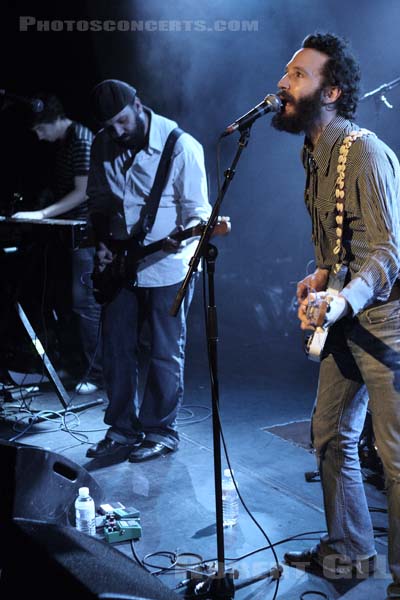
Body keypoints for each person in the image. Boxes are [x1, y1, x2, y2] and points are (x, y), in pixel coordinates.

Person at [271, 33, 400, 598]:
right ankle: (352, 555)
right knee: (329, 434)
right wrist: (321, 277)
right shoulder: (313, 151)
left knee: (396, 458)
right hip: (345, 319)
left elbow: (389, 251)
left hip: (388, 323)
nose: (283, 82)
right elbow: (342, 244)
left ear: (333, 91)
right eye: (287, 72)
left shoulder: (365, 150)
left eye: (298, 74)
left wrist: (344, 297)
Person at [85, 79, 211, 462]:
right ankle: (122, 429)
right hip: (121, 264)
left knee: (163, 351)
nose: (118, 131)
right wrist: (103, 245)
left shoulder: (181, 147)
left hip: (169, 265)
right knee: (116, 349)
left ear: (138, 106)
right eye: (111, 126)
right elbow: (99, 201)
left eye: (123, 121)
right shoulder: (103, 144)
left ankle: (160, 430)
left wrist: (181, 238)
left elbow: (200, 214)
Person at [12, 93, 103, 394]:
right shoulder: (66, 142)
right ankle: (75, 365)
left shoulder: (82, 140)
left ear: (54, 121)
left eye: (40, 130)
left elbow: (83, 192)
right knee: (68, 301)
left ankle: (97, 370)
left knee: (85, 302)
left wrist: (41, 214)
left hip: (86, 232)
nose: (39, 137)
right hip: (69, 232)